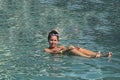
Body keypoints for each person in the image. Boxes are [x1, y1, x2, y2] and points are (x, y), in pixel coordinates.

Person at [44, 30, 112, 58]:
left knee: (79, 49)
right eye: (51, 40)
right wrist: (68, 49)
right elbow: (55, 52)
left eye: (55, 40)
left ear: (58, 41)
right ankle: (88, 57)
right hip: (61, 56)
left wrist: (75, 48)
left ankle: (100, 55)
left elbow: (65, 49)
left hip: (66, 53)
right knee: (71, 49)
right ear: (48, 40)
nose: (53, 42)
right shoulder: (46, 49)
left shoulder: (61, 46)